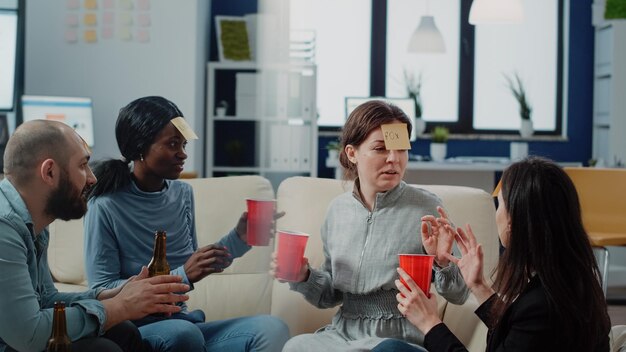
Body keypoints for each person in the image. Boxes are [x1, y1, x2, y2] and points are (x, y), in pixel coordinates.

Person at [83, 96, 289, 352]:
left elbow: (192, 263)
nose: (183, 154)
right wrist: (183, 275)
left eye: (183, 144)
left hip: (184, 325)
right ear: (139, 148)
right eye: (172, 144)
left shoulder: (182, 194)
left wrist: (239, 238)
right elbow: (101, 289)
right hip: (135, 331)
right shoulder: (105, 205)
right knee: (183, 334)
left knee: (272, 328)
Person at [271, 100, 469, 351]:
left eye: (401, 149)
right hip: (343, 335)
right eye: (380, 148)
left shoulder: (427, 208)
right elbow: (331, 294)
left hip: (400, 339)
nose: (393, 159)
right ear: (352, 153)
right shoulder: (337, 211)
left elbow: (459, 294)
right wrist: (303, 276)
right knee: (295, 346)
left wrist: (442, 263)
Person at [371, 156, 611, 352]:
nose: (496, 213)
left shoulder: (543, 306)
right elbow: (518, 337)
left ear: (515, 222)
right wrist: (479, 286)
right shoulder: (570, 280)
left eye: (500, 204)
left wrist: (429, 322)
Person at [0, 120, 191, 352]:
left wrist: (117, 294)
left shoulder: (32, 221)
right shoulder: (4, 228)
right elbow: (28, 335)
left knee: (124, 332)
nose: (92, 179)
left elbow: (46, 300)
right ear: (49, 172)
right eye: (82, 166)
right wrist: (119, 307)